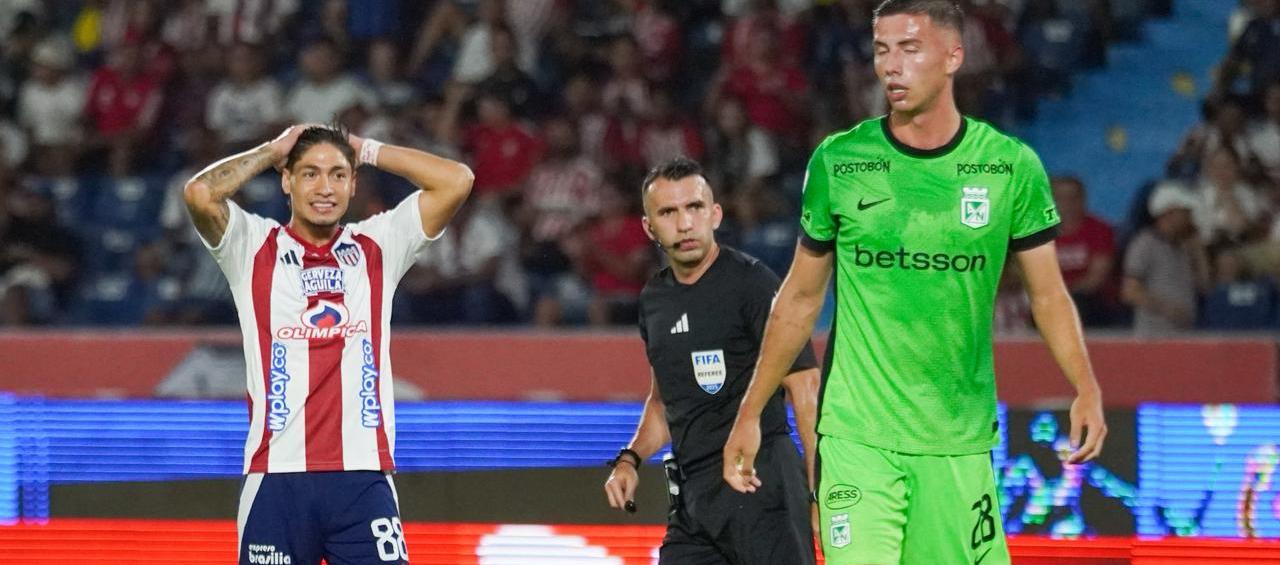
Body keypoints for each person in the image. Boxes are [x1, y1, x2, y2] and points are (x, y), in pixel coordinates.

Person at [720, 2, 1108, 564]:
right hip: (858, 438)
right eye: (882, 51)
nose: (891, 67)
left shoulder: (1007, 167)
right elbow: (800, 298)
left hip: (957, 443)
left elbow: (1047, 295)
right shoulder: (841, 161)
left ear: (953, 56)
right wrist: (751, 412)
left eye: (909, 48)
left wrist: (1086, 385)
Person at [183, 123, 473, 564]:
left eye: (338, 174)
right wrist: (271, 150)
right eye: (310, 173)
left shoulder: (378, 245)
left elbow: (457, 180)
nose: (325, 187)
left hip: (361, 480)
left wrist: (365, 148)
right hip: (276, 478)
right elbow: (200, 194)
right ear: (287, 181)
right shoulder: (253, 245)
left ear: (354, 184)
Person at [603, 158, 820, 564]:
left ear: (715, 214)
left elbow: (804, 387)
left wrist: (817, 492)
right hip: (694, 504)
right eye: (668, 212)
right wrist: (629, 460)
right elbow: (664, 404)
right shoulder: (654, 300)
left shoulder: (753, 284)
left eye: (695, 207)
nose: (684, 223)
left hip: (763, 489)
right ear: (650, 227)